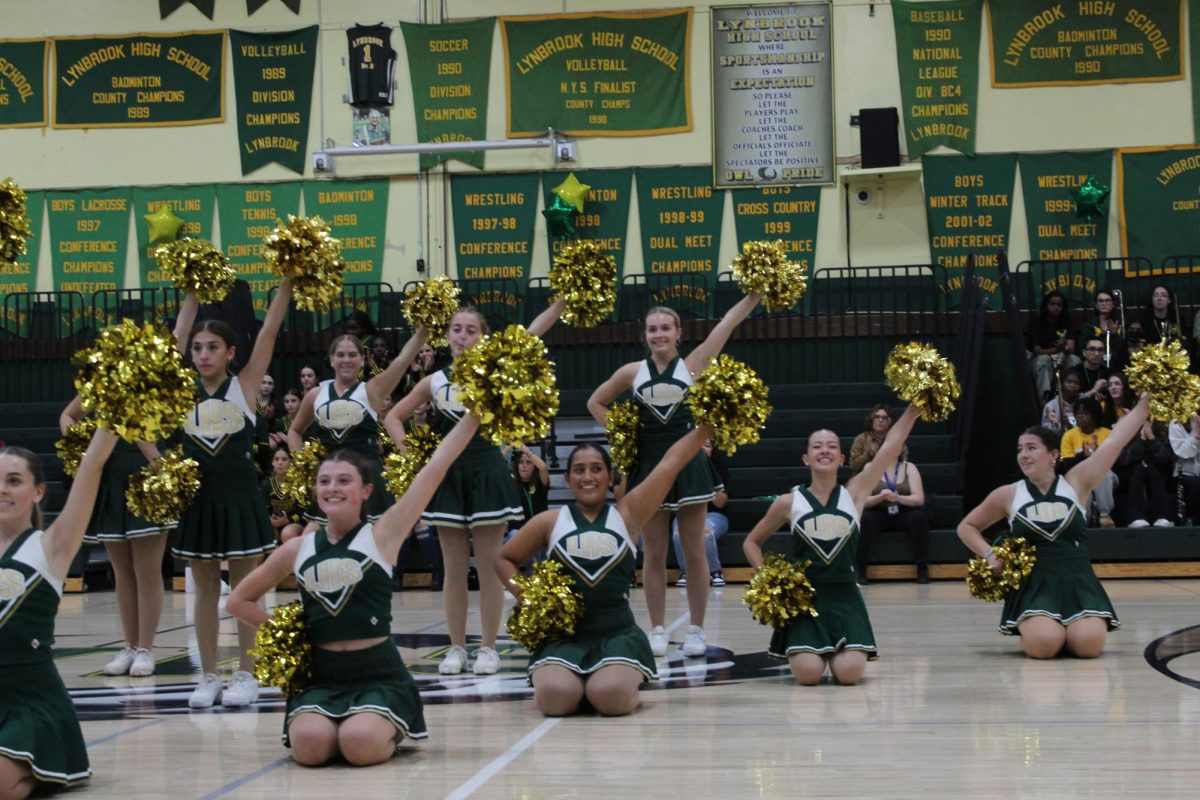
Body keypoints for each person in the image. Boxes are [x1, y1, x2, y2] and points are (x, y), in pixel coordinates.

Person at [227, 413, 484, 766]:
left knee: (359, 744)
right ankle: (340, 725)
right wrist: (285, 634)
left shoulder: (383, 535)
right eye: (325, 481)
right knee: (310, 748)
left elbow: (435, 468)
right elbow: (238, 600)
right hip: (321, 675)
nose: (333, 488)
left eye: (344, 481)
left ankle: (384, 724)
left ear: (366, 491)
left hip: (378, 674)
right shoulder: (297, 548)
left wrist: (474, 416)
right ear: (315, 491)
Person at [383, 300, 566, 675]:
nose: (463, 336)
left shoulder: (497, 370)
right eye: (456, 329)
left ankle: (487, 647)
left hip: (487, 474)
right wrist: (413, 455)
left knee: (487, 568)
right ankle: (456, 649)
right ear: (446, 335)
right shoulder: (434, 381)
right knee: (452, 570)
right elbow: (392, 416)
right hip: (448, 479)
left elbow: (532, 332)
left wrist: (561, 301)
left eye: (471, 330)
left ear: (484, 337)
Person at [586, 292, 762, 658]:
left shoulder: (694, 364)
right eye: (652, 329)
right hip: (648, 468)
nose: (659, 334)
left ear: (679, 332)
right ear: (645, 335)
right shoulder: (631, 372)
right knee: (653, 553)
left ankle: (697, 629)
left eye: (666, 328)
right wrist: (621, 433)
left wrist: (754, 294)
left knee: (694, 550)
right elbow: (595, 401)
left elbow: (726, 324)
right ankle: (658, 629)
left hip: (688, 466)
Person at [496, 425, 713, 717]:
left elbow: (670, 463)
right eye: (580, 470)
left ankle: (614, 685)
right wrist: (530, 597)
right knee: (555, 700)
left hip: (616, 633)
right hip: (564, 637)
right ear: (568, 479)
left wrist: (708, 426)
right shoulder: (549, 521)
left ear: (610, 476)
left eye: (597, 469)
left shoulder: (629, 514)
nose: (588, 477)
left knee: (610, 699)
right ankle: (578, 684)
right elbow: (504, 560)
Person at [171, 278, 293, 709]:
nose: (202, 354)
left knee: (245, 588)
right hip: (199, 501)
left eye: (212, 347)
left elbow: (270, 331)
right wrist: (190, 291)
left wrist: (287, 280)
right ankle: (206, 676)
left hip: (240, 496)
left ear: (230, 352)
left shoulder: (244, 386)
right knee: (204, 590)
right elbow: (173, 342)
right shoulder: (179, 389)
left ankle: (246, 672)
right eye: (198, 347)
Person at [957, 393, 1150, 659]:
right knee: (1044, 646)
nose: (1023, 455)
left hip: (1078, 582)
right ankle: (1045, 631)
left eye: (1031, 448)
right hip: (1035, 587)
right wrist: (990, 555)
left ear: (1053, 455)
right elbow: (966, 526)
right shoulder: (1009, 494)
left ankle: (1070, 631)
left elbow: (1115, 442)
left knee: (1088, 647)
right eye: (1020, 449)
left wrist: (1145, 404)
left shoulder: (1076, 483)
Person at [742, 406, 920, 685]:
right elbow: (751, 542)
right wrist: (766, 576)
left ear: (841, 457)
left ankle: (841, 649)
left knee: (849, 675)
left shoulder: (855, 492)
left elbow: (891, 447)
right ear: (806, 458)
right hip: (806, 604)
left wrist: (913, 410)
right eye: (817, 446)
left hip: (847, 598)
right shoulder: (789, 502)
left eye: (831, 446)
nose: (824, 451)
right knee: (808, 675)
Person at [0, 429, 118, 798]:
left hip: (31, 702)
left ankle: (37, 763)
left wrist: (116, 410)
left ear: (38, 492)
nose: (2, 489)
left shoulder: (51, 545)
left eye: (14, 481)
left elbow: (92, 466)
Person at [59, 397, 170, 678]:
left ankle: (146, 649)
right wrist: (81, 448)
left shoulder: (154, 381)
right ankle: (130, 647)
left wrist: (158, 463)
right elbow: (68, 416)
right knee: (121, 571)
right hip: (111, 477)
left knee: (146, 570)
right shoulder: (104, 381)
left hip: (146, 473)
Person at [287, 326, 431, 526]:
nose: (346, 360)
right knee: (320, 542)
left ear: (362, 359)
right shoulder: (316, 394)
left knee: (371, 545)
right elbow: (294, 431)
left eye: (353, 355)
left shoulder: (372, 390)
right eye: (341, 355)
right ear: (331, 359)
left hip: (367, 478)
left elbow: (402, 360)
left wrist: (425, 330)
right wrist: (303, 464)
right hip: (332, 480)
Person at [857, 451, 930, 584]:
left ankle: (922, 569)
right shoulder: (870, 467)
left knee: (918, 518)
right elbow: (863, 500)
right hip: (879, 511)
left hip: (903, 511)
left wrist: (899, 498)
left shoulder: (910, 467)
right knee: (865, 519)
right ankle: (861, 570)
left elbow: (919, 499)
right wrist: (881, 497)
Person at [672, 438, 729, 588]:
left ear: (713, 450)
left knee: (705, 531)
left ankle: (715, 571)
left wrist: (707, 476)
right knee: (679, 532)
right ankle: (685, 571)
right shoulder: (681, 470)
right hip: (684, 514)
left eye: (707, 446)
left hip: (715, 515)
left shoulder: (719, 469)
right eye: (697, 446)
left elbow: (720, 502)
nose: (702, 450)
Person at [1059, 397, 1118, 528]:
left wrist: (1097, 456)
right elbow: (1066, 466)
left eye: (1084, 413)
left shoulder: (1107, 434)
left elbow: (1116, 463)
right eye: (1077, 413)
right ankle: (1083, 520)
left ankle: (1104, 514)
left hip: (1106, 479)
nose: (1079, 416)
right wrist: (1082, 456)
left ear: (1094, 416)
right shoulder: (1069, 435)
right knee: (1084, 490)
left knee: (1103, 472)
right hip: (1079, 479)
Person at [1115, 419, 1173, 529]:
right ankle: (1135, 517)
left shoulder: (1162, 433)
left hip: (1158, 475)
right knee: (1139, 469)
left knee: (1151, 469)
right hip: (1132, 474)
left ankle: (1162, 516)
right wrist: (1140, 441)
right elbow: (1123, 459)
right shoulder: (1128, 433)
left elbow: (1165, 459)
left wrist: (1152, 438)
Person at [1028, 291, 1081, 401]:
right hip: (1043, 359)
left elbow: (1071, 348)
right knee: (1043, 360)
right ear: (1046, 305)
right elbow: (1037, 351)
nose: (1056, 307)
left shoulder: (1067, 322)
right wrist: (1056, 349)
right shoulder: (1036, 323)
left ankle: (1073, 399)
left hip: (1063, 357)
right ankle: (1046, 402)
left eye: (1059, 305)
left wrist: (1063, 349)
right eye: (1052, 304)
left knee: (1074, 359)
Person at [849, 405, 909, 476]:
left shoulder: (897, 440)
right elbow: (853, 466)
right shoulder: (861, 439)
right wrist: (868, 455)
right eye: (877, 417)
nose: (880, 420)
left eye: (884, 418)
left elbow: (903, 464)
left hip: (890, 479)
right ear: (872, 419)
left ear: (889, 421)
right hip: (865, 479)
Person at [262, 443, 304, 543]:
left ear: (291, 462)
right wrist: (270, 520)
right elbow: (262, 510)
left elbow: (303, 511)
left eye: (284, 459)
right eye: (276, 459)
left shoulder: (298, 483)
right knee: (267, 533)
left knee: (288, 533)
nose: (280, 463)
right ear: (272, 462)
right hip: (273, 523)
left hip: (295, 522)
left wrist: (288, 520)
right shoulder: (267, 484)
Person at [1168, 412, 1200, 524]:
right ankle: (1189, 520)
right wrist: (1196, 435)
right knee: (1196, 485)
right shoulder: (1176, 422)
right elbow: (1183, 452)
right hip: (1185, 473)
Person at [1083, 290, 1125, 369]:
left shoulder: (1120, 324)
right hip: (1094, 361)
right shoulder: (1089, 325)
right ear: (1096, 305)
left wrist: (1114, 334)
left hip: (1115, 362)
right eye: (1100, 301)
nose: (1104, 303)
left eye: (1107, 300)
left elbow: (1122, 349)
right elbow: (1084, 347)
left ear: (1113, 304)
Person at [1041, 368, 1083, 434]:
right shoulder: (1051, 406)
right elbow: (1047, 431)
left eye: (1076, 383)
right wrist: (1062, 426)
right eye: (1069, 382)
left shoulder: (1084, 403)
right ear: (1061, 384)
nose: (1072, 385)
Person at [1076, 336, 1111, 401]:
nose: (1096, 354)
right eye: (1092, 349)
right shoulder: (1074, 372)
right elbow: (1071, 402)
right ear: (1084, 352)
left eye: (1100, 350)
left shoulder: (1108, 373)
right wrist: (1094, 390)